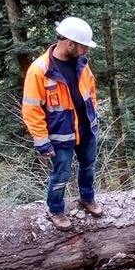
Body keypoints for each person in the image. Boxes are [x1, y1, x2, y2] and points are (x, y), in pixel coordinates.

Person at [22, 16, 103, 231]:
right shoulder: (40, 70)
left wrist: (94, 118)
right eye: (83, 46)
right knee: (61, 175)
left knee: (88, 167)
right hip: (60, 134)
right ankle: (55, 210)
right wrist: (42, 141)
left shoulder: (82, 64)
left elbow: (91, 92)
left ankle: (87, 198)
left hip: (86, 129)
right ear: (69, 43)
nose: (86, 51)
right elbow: (31, 109)